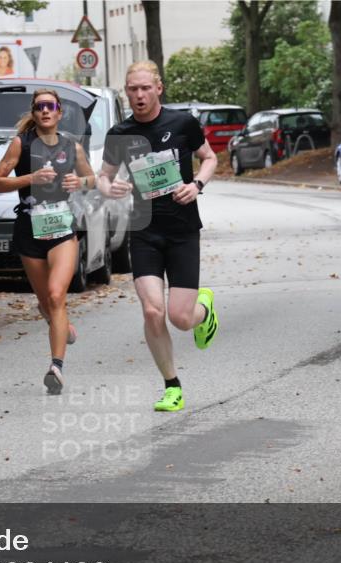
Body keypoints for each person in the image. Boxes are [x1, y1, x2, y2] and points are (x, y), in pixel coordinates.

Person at [96, 61, 219, 412]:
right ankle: (171, 386)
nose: (138, 94)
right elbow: (103, 177)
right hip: (144, 231)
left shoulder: (182, 123)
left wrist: (196, 185)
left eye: (145, 88)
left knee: (181, 319)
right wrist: (111, 187)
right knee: (153, 311)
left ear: (158, 88)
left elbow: (209, 158)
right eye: (132, 89)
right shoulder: (120, 133)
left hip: (182, 231)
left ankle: (204, 307)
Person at [0, 89, 96, 394]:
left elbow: (93, 180)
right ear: (35, 113)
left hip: (63, 228)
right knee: (46, 304)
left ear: (59, 112)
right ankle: (61, 323)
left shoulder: (71, 146)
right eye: (40, 107)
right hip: (30, 229)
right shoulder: (20, 144)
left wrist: (80, 182)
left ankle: (56, 367)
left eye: (51, 106)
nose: (45, 111)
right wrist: (29, 179)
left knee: (55, 295)